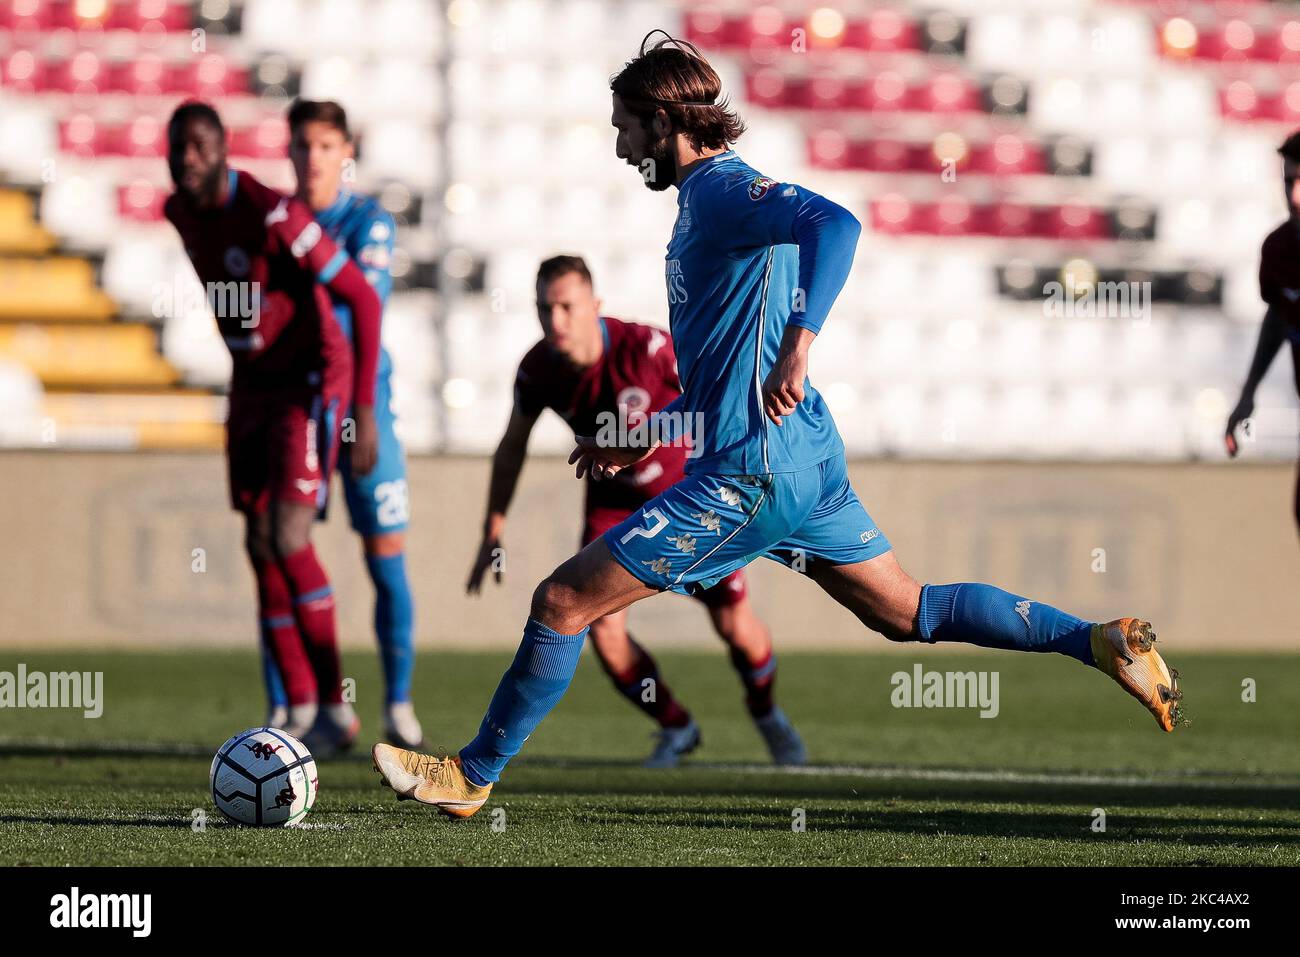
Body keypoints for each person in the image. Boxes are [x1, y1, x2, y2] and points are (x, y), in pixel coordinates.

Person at [372, 33, 1183, 818]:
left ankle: (470, 775)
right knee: (908, 611)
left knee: (561, 602)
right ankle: (1095, 639)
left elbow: (838, 224)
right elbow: (726, 377)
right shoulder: (704, 208)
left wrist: (800, 341)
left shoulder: (722, 190)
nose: (620, 147)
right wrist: (648, 430)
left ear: (663, 122)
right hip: (800, 461)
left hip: (749, 476)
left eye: (624, 126)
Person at [466, 254, 806, 767]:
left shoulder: (646, 348)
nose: (554, 320)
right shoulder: (538, 370)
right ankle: (676, 726)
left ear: (594, 305)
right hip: (613, 506)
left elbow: (713, 392)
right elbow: (511, 445)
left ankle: (766, 714)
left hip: (688, 500)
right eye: (544, 308)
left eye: (565, 306)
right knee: (599, 625)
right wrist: (493, 527)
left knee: (735, 624)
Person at [164, 100, 381, 754]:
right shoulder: (178, 211)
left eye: (201, 145)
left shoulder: (273, 212)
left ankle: (335, 705)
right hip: (252, 385)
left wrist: (363, 407)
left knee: (288, 535)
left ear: (225, 147)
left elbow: (361, 297)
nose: (188, 159)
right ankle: (294, 702)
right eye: (178, 147)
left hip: (308, 382)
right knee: (258, 541)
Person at [279, 98, 422, 748]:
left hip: (364, 402)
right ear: (288, 150)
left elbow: (359, 310)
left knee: (384, 556)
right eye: (303, 145)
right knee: (276, 548)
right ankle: (297, 707)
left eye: (326, 146)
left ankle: (396, 705)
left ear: (346, 153)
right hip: (295, 404)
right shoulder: (274, 221)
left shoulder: (368, 220)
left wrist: (361, 410)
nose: (313, 157)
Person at [1226, 128, 1300, 538]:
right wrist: (1249, 390)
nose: (1294, 198)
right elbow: (1280, 313)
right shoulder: (1279, 250)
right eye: (1289, 182)